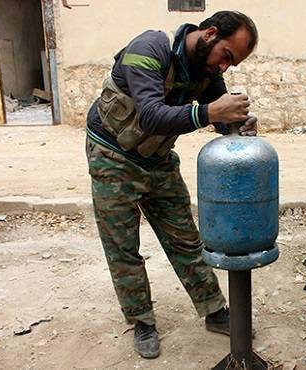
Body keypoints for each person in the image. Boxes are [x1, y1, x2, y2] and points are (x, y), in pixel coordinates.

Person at [84, 11, 259, 359]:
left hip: (158, 160)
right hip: (112, 156)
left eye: (233, 64)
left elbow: (218, 118)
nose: (225, 68)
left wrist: (237, 124)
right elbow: (150, 115)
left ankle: (213, 309)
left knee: (186, 239)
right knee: (123, 246)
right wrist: (210, 112)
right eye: (227, 55)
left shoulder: (206, 70)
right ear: (209, 34)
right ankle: (142, 320)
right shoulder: (150, 48)